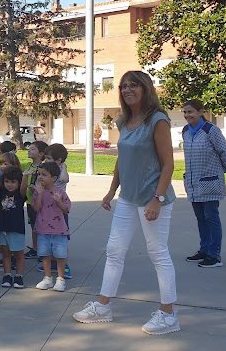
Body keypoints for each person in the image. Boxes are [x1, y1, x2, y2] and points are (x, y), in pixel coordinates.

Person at [73, 70, 180, 336]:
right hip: (128, 199)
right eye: (124, 86)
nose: (128, 90)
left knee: (158, 253)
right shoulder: (124, 121)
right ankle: (103, 306)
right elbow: (123, 160)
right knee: (114, 250)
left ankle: (169, 314)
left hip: (153, 198)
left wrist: (158, 199)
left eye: (134, 85)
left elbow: (168, 164)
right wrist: (112, 190)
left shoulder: (157, 120)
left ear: (145, 89)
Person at [181, 100, 226, 268]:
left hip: (210, 182)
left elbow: (224, 152)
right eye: (185, 112)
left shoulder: (211, 131)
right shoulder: (186, 131)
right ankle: (204, 250)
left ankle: (214, 255)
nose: (188, 115)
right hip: (193, 182)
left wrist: (222, 170)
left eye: (191, 112)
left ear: (200, 111)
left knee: (211, 217)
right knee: (200, 218)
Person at [32, 162, 71, 292]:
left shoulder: (60, 192)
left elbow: (66, 210)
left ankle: (61, 279)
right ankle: (47, 278)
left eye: (44, 175)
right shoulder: (38, 192)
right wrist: (39, 194)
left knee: (60, 255)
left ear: (54, 178)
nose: (40, 177)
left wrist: (58, 201)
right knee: (45, 255)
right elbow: (36, 208)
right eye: (39, 174)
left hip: (59, 230)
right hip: (43, 230)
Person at [0, 166, 25, 289]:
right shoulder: (1, 191)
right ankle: (7, 275)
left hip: (16, 228)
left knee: (19, 254)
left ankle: (19, 276)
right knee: (6, 254)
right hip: (3, 228)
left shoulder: (20, 195)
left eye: (13, 182)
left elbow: (23, 188)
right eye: (7, 181)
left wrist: (26, 176)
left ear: (18, 182)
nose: (9, 185)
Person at [20, 141, 48, 259]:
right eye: (29, 149)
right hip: (30, 201)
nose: (29, 151)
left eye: (32, 149)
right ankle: (35, 248)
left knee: (43, 226)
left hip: (42, 201)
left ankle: (44, 249)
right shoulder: (27, 166)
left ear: (41, 154)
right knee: (34, 225)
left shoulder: (45, 167)